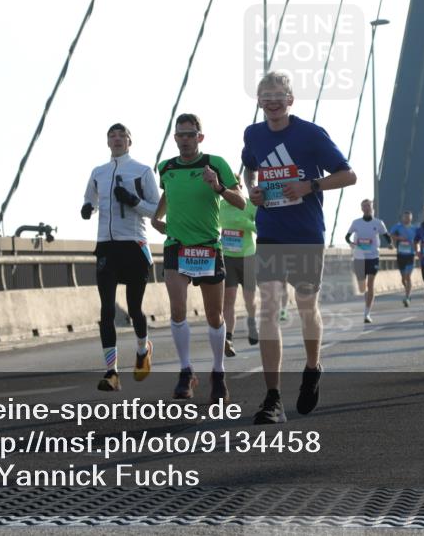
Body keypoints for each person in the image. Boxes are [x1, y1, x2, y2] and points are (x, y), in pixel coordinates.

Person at [242, 71, 357, 425]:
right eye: (266, 96)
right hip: (270, 232)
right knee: (269, 309)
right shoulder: (253, 134)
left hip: (306, 234)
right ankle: (273, 398)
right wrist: (252, 191)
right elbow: (249, 167)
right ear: (259, 101)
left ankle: (312, 367)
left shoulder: (311, 134)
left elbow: (348, 175)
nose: (273, 102)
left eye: (279, 96)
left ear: (290, 100)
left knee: (307, 307)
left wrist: (310, 186)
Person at [152, 113, 246, 403]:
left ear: (200, 137)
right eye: (180, 135)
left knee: (214, 316)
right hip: (176, 246)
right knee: (177, 311)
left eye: (190, 134)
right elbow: (168, 194)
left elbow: (241, 202)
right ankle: (185, 372)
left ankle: (218, 373)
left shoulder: (215, 164)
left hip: (207, 248)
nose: (185, 139)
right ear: (175, 138)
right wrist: (156, 217)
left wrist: (218, 187)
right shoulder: (166, 167)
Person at [82, 123, 160, 391]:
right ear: (107, 142)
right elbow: (90, 200)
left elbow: (156, 210)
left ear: (130, 141)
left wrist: (132, 200)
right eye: (112, 136)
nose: (117, 139)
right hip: (106, 246)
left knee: (134, 309)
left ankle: (142, 350)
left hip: (134, 245)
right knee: (107, 310)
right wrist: (87, 208)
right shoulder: (98, 172)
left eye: (122, 136)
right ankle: (112, 373)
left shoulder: (142, 171)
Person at [219, 196, 259, 350]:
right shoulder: (220, 205)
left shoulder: (249, 204)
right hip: (228, 258)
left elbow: (261, 228)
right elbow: (212, 225)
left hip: (248, 258)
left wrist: (247, 224)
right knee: (229, 299)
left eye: (237, 186)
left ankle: (252, 321)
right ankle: (228, 337)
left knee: (250, 299)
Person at [346, 199, 390, 323]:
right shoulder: (356, 223)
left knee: (370, 284)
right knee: (362, 287)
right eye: (364, 206)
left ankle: (367, 313)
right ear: (361, 209)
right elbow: (347, 237)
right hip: (359, 257)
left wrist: (390, 244)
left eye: (368, 206)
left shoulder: (378, 223)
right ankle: (366, 302)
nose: (366, 208)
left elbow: (387, 236)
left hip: (373, 257)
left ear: (372, 208)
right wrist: (351, 243)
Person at [389, 211, 418, 307]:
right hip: (401, 255)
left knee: (408, 276)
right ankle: (408, 290)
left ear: (411, 218)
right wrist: (398, 238)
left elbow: (419, 239)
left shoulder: (415, 228)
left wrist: (417, 248)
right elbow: (391, 235)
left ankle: (407, 297)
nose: (407, 219)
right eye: (405, 217)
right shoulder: (397, 227)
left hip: (410, 255)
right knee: (403, 278)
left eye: (408, 217)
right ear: (402, 218)